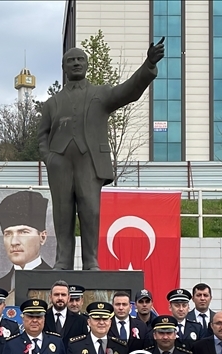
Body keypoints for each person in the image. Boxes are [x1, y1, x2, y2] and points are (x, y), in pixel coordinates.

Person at [38, 41, 163, 270]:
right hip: (60, 164)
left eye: (80, 59)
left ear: (87, 64)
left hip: (90, 163)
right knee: (62, 213)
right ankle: (63, 261)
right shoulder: (52, 103)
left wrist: (149, 65)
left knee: (91, 211)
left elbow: (129, 91)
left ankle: (91, 261)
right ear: (63, 67)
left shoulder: (101, 94)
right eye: (70, 60)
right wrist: (49, 158)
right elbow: (42, 135)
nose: (76, 63)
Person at [0, 190, 53, 297]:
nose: (14, 242)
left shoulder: (58, 286)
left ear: (42, 237)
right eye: (8, 234)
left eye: (24, 232)